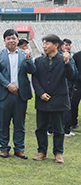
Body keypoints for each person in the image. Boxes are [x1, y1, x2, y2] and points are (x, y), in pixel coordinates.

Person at [0, 29, 36, 159]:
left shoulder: (25, 54)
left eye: (13, 38)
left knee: (19, 124)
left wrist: (29, 59)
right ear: (4, 41)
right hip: (4, 94)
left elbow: (32, 70)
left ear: (17, 40)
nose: (11, 40)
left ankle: (19, 149)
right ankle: (4, 148)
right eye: (8, 38)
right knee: (3, 124)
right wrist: (8, 85)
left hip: (20, 95)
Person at [32, 34, 75, 163]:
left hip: (58, 99)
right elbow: (35, 78)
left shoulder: (65, 59)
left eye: (47, 43)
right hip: (42, 98)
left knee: (58, 128)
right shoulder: (39, 60)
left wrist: (67, 63)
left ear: (56, 45)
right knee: (41, 128)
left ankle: (58, 153)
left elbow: (72, 76)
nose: (44, 46)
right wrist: (40, 93)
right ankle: (42, 151)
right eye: (43, 43)